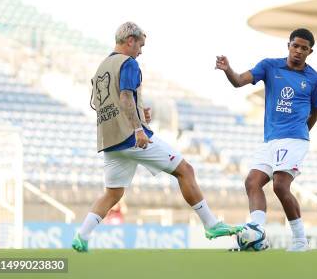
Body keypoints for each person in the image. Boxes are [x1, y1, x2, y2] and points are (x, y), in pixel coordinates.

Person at [72, 22, 241, 252]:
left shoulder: (102, 67)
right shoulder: (129, 62)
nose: (141, 51)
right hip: (131, 138)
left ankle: (81, 236)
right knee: (185, 170)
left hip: (109, 141)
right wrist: (138, 128)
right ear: (130, 40)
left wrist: (140, 114)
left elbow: (100, 104)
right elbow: (124, 97)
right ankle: (210, 224)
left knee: (113, 193)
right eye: (140, 45)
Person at [216, 28, 317, 252]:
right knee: (252, 182)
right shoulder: (269, 66)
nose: (298, 51)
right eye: (295, 46)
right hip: (270, 140)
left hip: (295, 139)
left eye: (304, 48)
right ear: (288, 45)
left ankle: (300, 240)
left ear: (310, 51)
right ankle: (257, 234)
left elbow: (314, 113)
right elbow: (238, 81)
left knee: (280, 185)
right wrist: (228, 69)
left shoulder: (315, 80)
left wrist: (301, 134)